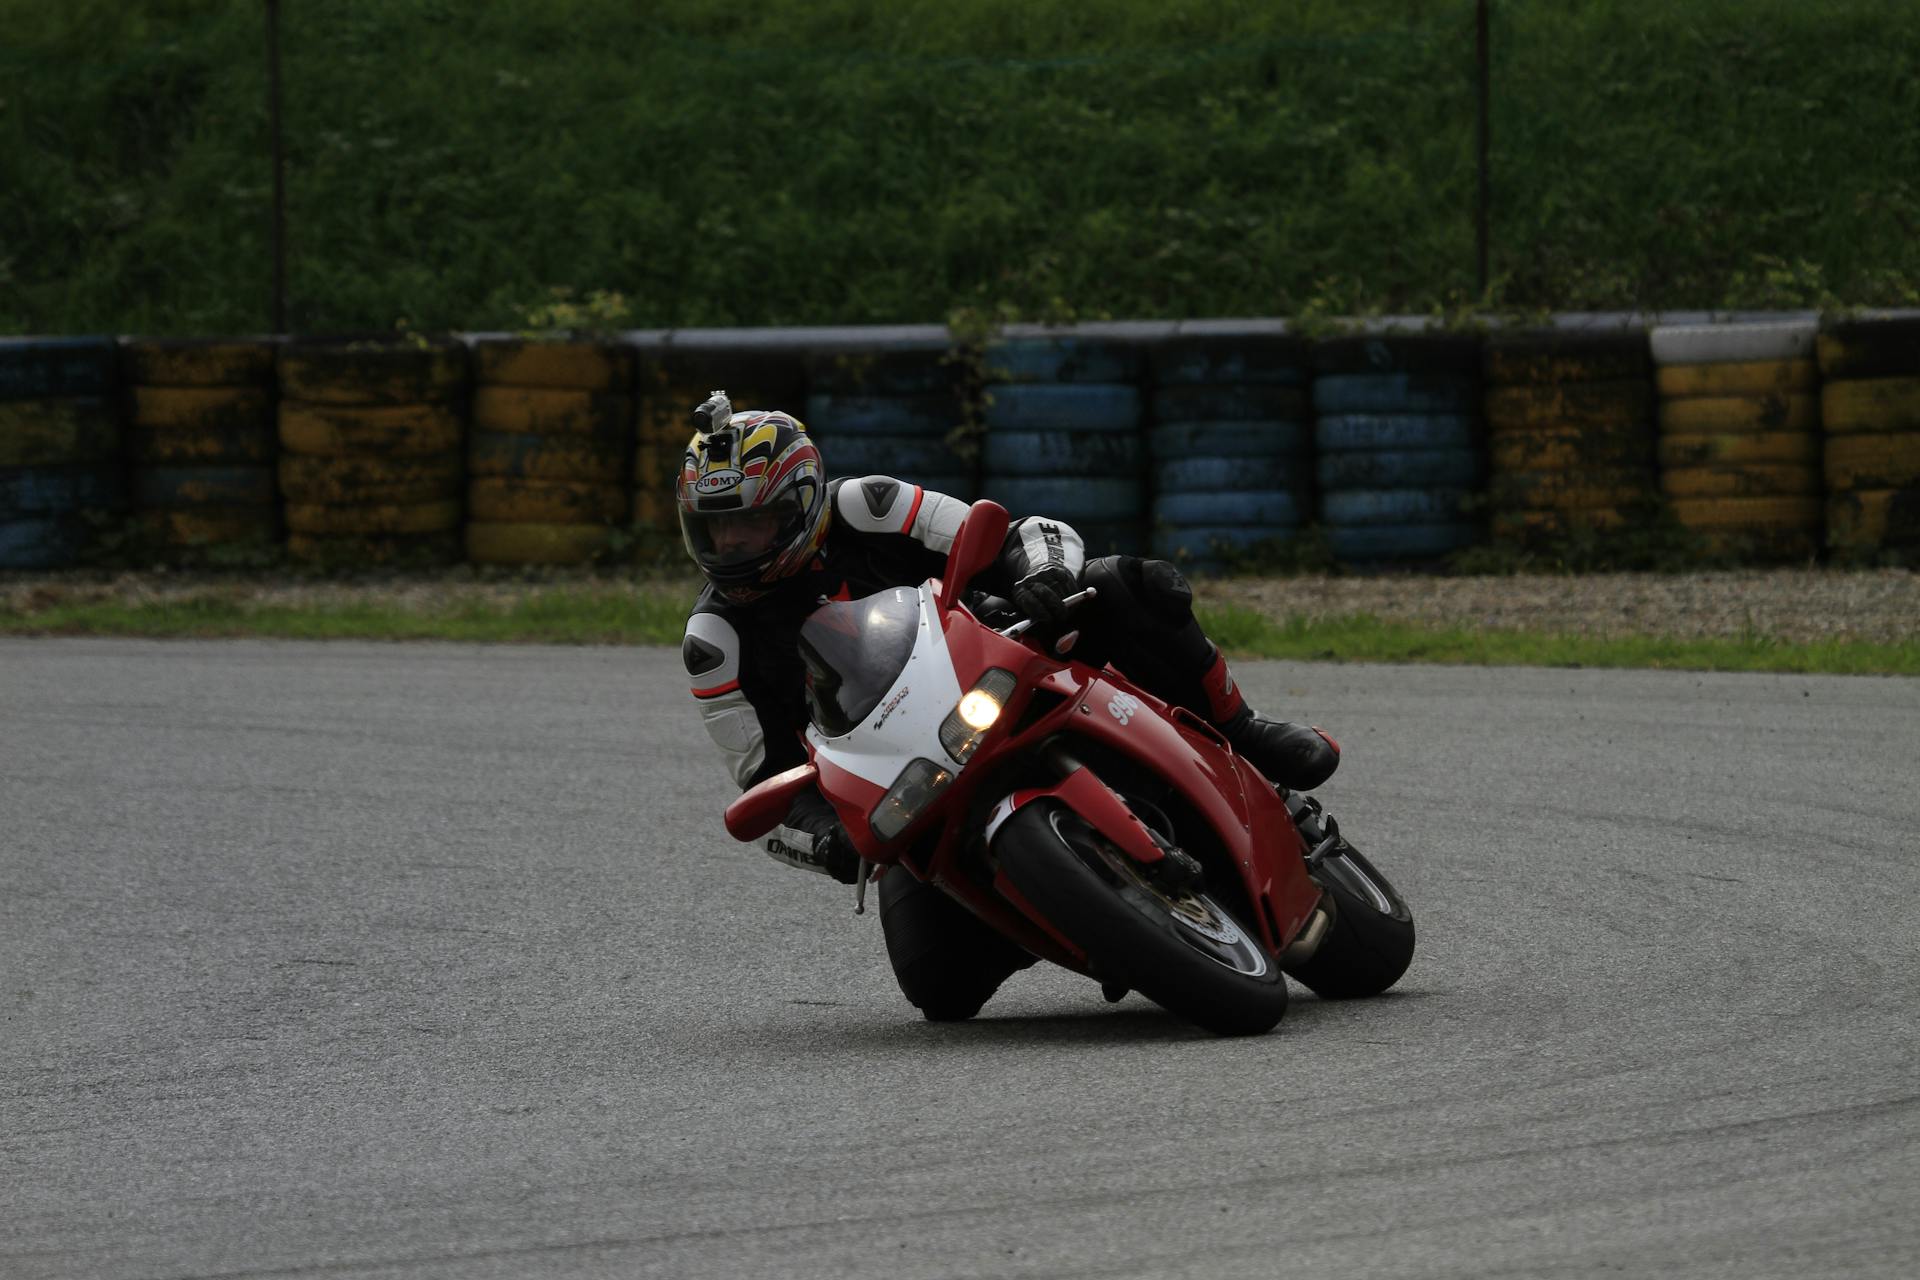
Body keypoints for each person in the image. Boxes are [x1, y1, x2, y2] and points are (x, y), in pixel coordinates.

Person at [678, 390, 1339, 1018]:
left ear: (801, 503)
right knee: (939, 988)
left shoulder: (869, 506)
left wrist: (1043, 575)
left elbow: (1019, 530)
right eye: (717, 531)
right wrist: (826, 841)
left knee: (1125, 584)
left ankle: (1243, 730)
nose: (732, 547)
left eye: (752, 524)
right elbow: (763, 786)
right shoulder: (715, 641)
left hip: (1005, 665)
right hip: (908, 778)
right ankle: (1055, 902)